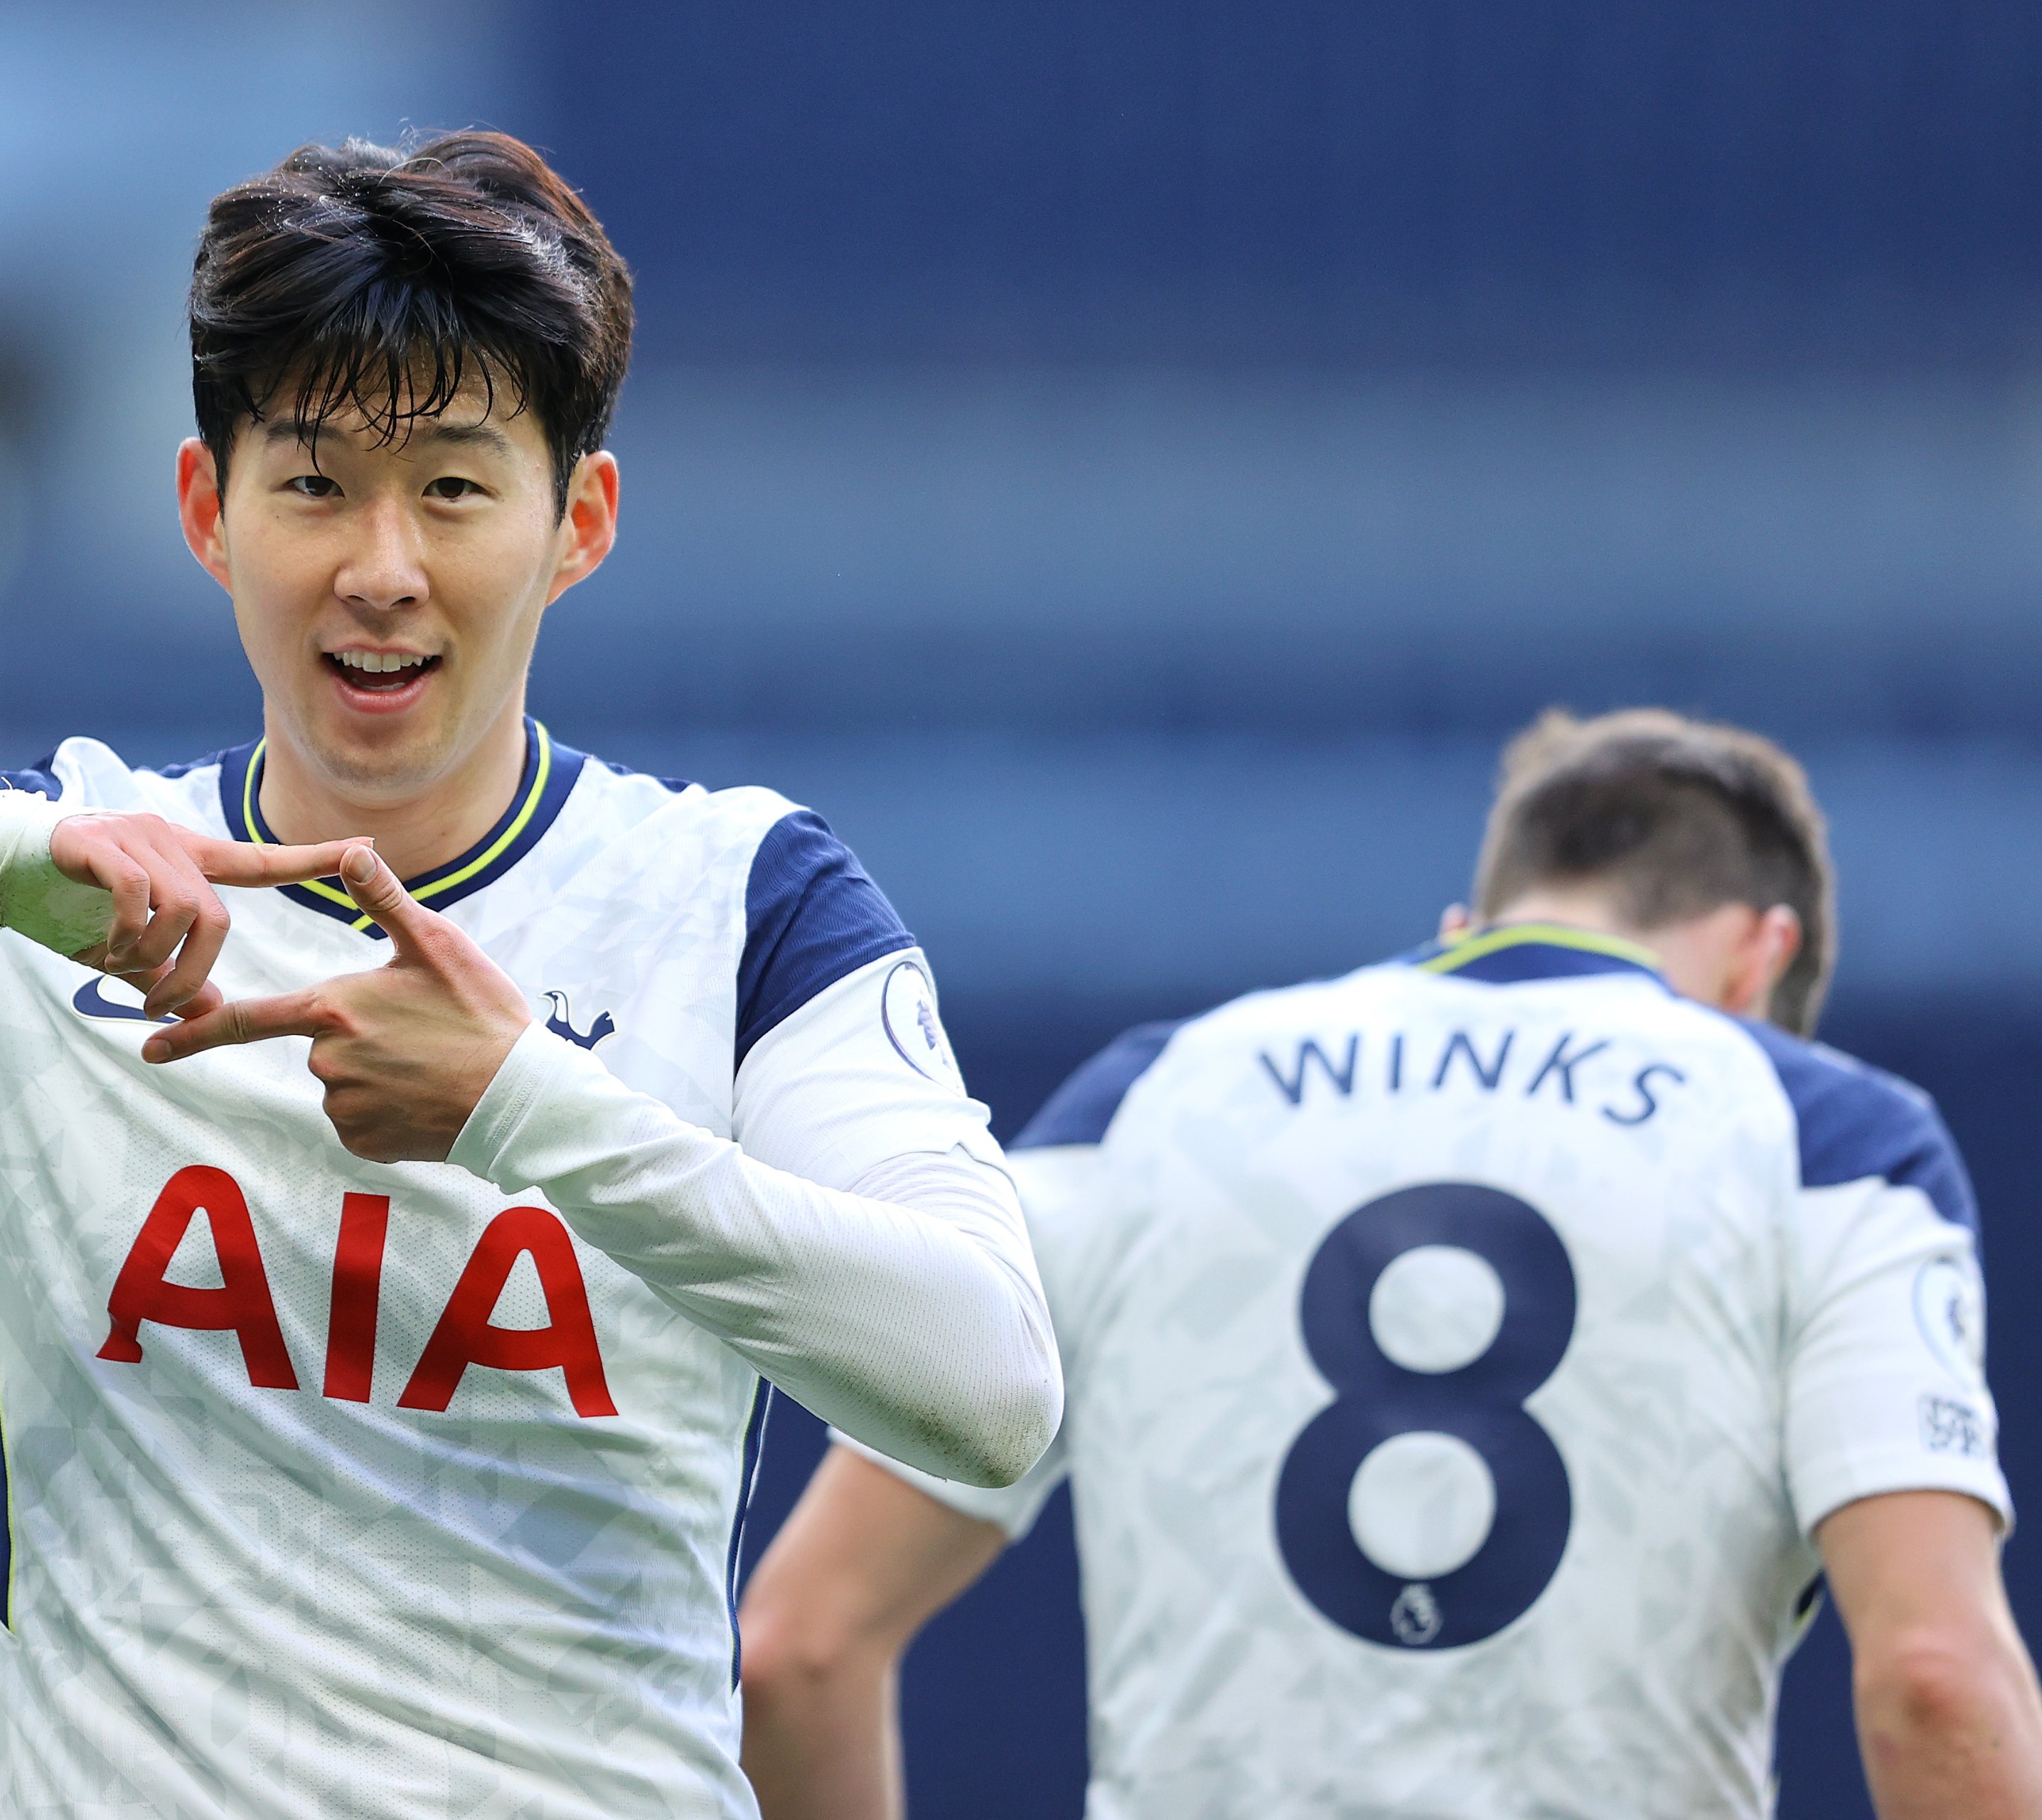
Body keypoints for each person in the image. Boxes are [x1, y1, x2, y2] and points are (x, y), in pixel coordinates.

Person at [0, 132, 1058, 1816]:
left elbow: (988, 1385)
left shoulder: (739, 905)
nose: (379, 566)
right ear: (206, 508)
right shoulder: (33, 893)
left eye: (455, 487)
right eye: (312, 482)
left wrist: (519, 1103)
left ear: (577, 523)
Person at [739, 708, 2042, 1820]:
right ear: (1765, 959)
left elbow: (799, 1644)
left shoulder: (1146, 1102)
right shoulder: (1832, 1138)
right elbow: (1935, 1678)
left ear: (1469, 923)